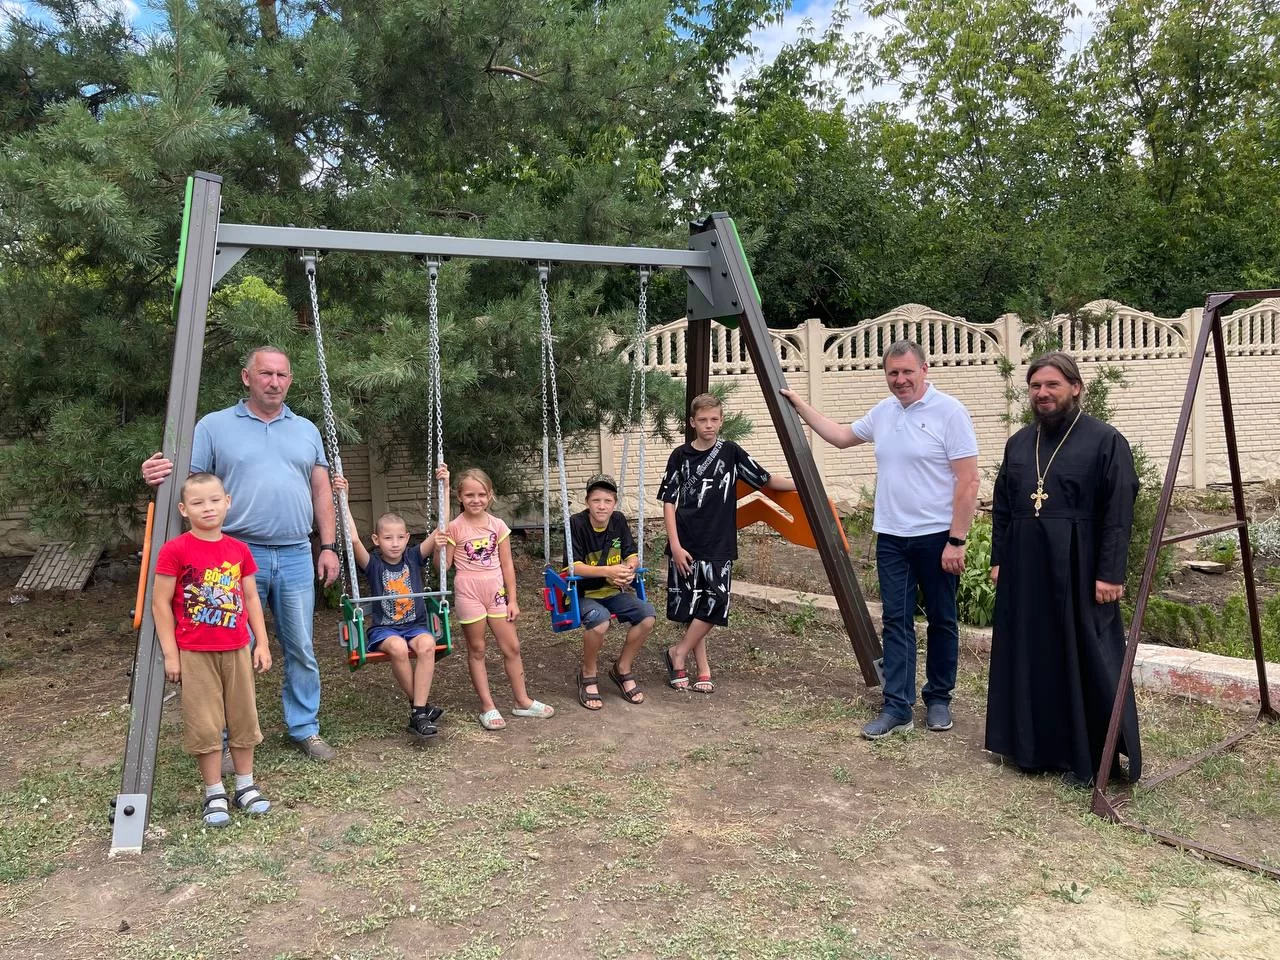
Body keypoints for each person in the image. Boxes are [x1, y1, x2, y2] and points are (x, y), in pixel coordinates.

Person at [142, 346, 339, 761]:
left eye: (282, 375)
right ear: (247, 377)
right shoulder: (214, 426)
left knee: (301, 646)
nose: (274, 382)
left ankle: (304, 728)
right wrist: (156, 476)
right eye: (266, 374)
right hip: (232, 556)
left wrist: (328, 546)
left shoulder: (306, 429)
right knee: (232, 648)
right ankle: (231, 737)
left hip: (295, 552)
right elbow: (189, 484)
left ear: (290, 380)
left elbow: (322, 491)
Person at [782, 340, 979, 740]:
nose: (900, 380)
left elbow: (969, 480)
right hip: (892, 537)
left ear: (924, 370)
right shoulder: (884, 413)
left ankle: (938, 699)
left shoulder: (950, 412)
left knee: (942, 619)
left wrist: (956, 540)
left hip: (937, 536)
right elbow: (841, 436)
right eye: (893, 373)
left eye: (907, 371)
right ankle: (897, 706)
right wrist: (799, 405)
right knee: (895, 620)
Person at [985, 351, 1141, 787]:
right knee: (1031, 654)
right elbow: (1003, 506)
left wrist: (1111, 572)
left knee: (1084, 657)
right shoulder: (1020, 442)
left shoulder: (1105, 440)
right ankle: (1032, 749)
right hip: (1025, 569)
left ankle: (1087, 757)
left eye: (1052, 384)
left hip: (1081, 567)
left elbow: (1118, 511)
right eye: (1035, 386)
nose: (1042, 393)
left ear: (1075, 387)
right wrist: (999, 558)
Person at [152, 473, 273, 827]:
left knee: (243, 718)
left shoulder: (238, 550)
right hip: (194, 652)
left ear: (227, 502)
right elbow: (160, 604)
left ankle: (245, 786)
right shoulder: (175, 550)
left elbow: (251, 598)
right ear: (183, 509)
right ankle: (214, 792)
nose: (208, 508)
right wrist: (171, 654)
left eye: (215, 500)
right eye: (198, 502)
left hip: (237, 648)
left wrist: (262, 642)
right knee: (205, 724)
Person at [658, 393, 795, 693]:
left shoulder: (730, 452)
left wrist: (802, 483)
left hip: (719, 542)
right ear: (692, 422)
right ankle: (702, 668)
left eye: (714, 419)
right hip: (686, 542)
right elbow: (669, 502)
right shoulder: (680, 456)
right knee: (694, 605)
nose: (708, 425)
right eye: (702, 420)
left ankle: (678, 652)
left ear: (721, 421)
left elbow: (765, 479)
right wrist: (675, 545)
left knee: (717, 602)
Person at [332, 467, 450, 739]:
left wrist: (444, 488)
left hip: (416, 625)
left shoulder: (413, 557)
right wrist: (343, 499)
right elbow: (352, 539)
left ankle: (418, 712)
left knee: (428, 644)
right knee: (397, 647)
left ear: (407, 538)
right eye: (387, 538)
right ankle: (421, 711)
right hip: (385, 630)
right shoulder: (373, 564)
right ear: (376, 540)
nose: (394, 544)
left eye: (399, 538)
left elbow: (440, 530)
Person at [444, 468, 555, 730]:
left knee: (511, 647)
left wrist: (512, 600)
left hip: (496, 593)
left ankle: (522, 700)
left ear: (490, 495)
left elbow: (507, 566)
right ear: (459, 496)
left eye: (481, 494)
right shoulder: (454, 528)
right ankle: (487, 706)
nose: (476, 500)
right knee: (477, 649)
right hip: (469, 592)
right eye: (469, 495)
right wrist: (441, 540)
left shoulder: (498, 526)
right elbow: (445, 566)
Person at [564, 474, 657, 710]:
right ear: (587, 501)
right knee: (600, 621)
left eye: (607, 501)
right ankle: (588, 672)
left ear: (614, 503)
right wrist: (608, 571)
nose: (602, 506)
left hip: (612, 592)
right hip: (582, 594)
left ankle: (622, 668)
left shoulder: (618, 520)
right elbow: (574, 567)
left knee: (647, 616)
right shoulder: (576, 523)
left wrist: (629, 569)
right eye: (596, 500)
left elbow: (632, 555)